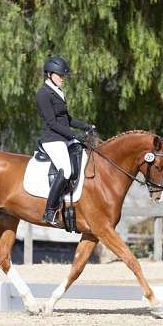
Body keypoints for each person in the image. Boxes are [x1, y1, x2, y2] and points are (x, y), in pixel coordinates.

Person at [36, 56, 94, 226]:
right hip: (52, 139)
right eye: (59, 75)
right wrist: (74, 136)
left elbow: (66, 119)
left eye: (63, 76)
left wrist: (86, 126)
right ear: (49, 74)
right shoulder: (43, 94)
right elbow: (52, 123)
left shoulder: (58, 92)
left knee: (84, 156)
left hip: (64, 138)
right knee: (66, 170)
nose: (62, 78)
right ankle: (49, 211)